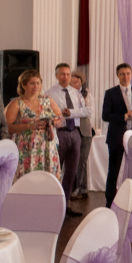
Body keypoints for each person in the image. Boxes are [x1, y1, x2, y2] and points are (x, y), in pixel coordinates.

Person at [46, 63, 90, 216]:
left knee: (71, 172)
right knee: (56, 170)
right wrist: (58, 114)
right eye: (62, 74)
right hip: (59, 133)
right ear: (56, 75)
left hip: (75, 133)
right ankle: (53, 206)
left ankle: (65, 206)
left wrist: (71, 112)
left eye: (68, 74)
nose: (65, 77)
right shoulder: (49, 93)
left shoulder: (76, 92)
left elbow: (87, 111)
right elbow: (47, 113)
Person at [101, 63, 132, 205]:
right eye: (122, 74)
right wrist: (123, 116)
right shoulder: (110, 93)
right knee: (113, 172)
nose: (125, 77)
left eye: (128, 73)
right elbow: (105, 115)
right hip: (116, 138)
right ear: (117, 75)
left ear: (131, 74)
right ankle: (109, 203)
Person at [5, 69, 62, 181]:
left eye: (38, 83)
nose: (36, 86)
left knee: (47, 180)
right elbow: (7, 128)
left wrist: (55, 122)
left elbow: (60, 118)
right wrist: (28, 126)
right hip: (26, 149)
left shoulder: (48, 100)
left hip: (47, 147)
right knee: (26, 180)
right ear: (24, 85)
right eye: (32, 83)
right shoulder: (16, 103)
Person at [70, 71, 93, 203]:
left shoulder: (87, 93)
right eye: (73, 81)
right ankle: (78, 188)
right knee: (74, 160)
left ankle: (81, 188)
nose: (75, 83)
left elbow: (89, 112)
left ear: (81, 81)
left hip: (86, 131)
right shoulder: (67, 94)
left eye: (78, 80)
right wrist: (78, 112)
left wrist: (72, 112)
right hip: (72, 130)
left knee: (82, 160)